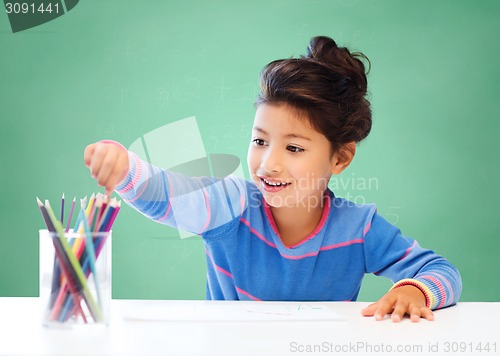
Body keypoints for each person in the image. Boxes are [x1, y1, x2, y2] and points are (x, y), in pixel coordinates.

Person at [84, 36, 461, 322]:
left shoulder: (358, 230)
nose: (268, 163)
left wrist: (415, 290)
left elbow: (441, 272)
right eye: (260, 141)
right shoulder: (228, 206)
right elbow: (167, 193)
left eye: (293, 148)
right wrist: (126, 170)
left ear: (341, 157)